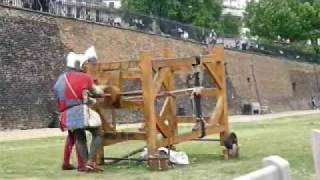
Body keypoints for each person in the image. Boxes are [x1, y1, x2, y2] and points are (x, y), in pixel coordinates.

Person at [53, 46, 104, 172]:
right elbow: (97, 91)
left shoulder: (60, 80)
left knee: (79, 137)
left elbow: (60, 96)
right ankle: (90, 162)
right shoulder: (84, 77)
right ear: (79, 65)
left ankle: (86, 164)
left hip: (66, 113)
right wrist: (100, 90)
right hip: (80, 111)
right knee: (98, 133)